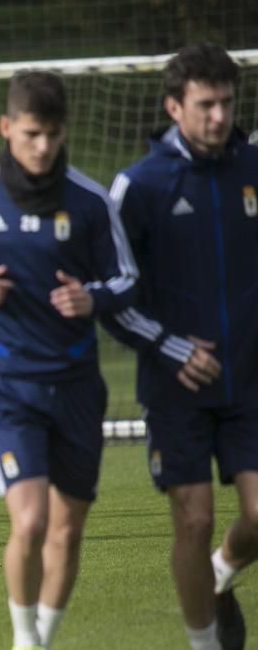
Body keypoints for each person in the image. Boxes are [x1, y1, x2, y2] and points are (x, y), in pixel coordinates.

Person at [0, 71, 138, 650]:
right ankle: (24, 639)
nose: (42, 146)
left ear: (62, 130)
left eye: (51, 133)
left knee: (68, 531)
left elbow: (126, 277)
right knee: (30, 523)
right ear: (7, 128)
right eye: (30, 133)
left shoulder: (91, 200)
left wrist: (91, 298)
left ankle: (42, 639)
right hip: (8, 385)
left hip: (76, 385)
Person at [104, 42, 256, 650]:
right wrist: (170, 348)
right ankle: (203, 643)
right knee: (191, 521)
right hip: (176, 391)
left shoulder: (253, 167)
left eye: (227, 102)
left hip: (250, 382)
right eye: (205, 104)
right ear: (174, 106)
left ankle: (221, 572)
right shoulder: (139, 185)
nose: (219, 116)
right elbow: (111, 293)